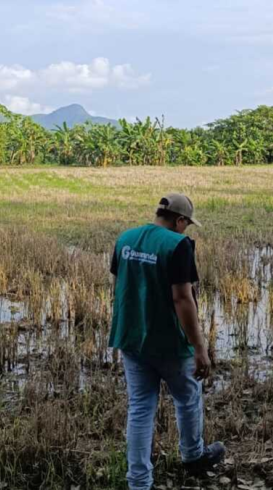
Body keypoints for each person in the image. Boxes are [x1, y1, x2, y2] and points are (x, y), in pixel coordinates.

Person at [109, 193, 226, 490]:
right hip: (171, 344)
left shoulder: (125, 239)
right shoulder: (178, 244)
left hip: (132, 339)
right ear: (180, 220)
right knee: (187, 398)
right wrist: (200, 347)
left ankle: (138, 482)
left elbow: (120, 285)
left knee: (140, 409)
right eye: (187, 224)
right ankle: (192, 455)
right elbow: (182, 298)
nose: (186, 230)